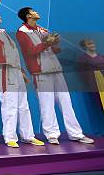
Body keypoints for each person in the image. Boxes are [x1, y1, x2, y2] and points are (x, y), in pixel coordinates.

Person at [16, 8, 94, 145]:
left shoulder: (43, 30)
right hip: (40, 72)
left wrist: (55, 45)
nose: (37, 12)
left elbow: (52, 49)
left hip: (56, 69)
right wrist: (47, 43)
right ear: (28, 16)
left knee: (67, 103)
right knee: (47, 104)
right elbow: (30, 52)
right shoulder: (22, 32)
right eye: (33, 11)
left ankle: (76, 134)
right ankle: (52, 135)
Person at [0, 0, 44, 148]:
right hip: (4, 71)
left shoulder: (3, 32)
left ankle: (28, 135)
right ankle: (10, 137)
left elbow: (13, 54)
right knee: (9, 104)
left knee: (23, 105)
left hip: (15, 71)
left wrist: (22, 71)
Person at [76, 39, 104, 110]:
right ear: (84, 47)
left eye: (92, 43)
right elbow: (82, 75)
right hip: (96, 87)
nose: (92, 45)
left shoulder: (101, 57)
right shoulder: (82, 59)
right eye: (89, 44)